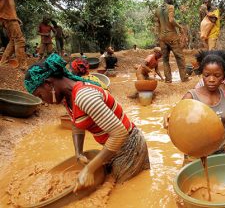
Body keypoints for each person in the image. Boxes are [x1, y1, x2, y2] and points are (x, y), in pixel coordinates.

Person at [24, 54, 150, 189]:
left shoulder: (85, 97)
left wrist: (89, 168)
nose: (43, 101)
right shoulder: (68, 98)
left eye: (40, 95)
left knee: (123, 189)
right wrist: (79, 153)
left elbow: (119, 133)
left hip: (129, 147)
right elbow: (76, 124)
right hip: (114, 147)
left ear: (49, 84)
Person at [181, 50, 225, 165]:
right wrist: (168, 119)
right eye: (207, 75)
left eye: (217, 75)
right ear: (202, 74)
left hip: (220, 151)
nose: (211, 79)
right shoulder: (191, 97)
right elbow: (176, 124)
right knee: (196, 183)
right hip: (195, 155)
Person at [0, 0, 46, 69]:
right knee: (20, 40)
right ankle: (23, 67)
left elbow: (6, 3)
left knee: (13, 39)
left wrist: (16, 17)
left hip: (9, 16)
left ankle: (3, 62)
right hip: (7, 16)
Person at [155, 0, 188, 83]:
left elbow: (157, 25)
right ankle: (184, 78)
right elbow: (171, 19)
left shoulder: (157, 9)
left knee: (165, 59)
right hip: (172, 36)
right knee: (180, 57)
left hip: (162, 38)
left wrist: (160, 36)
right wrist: (180, 26)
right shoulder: (171, 7)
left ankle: (168, 79)